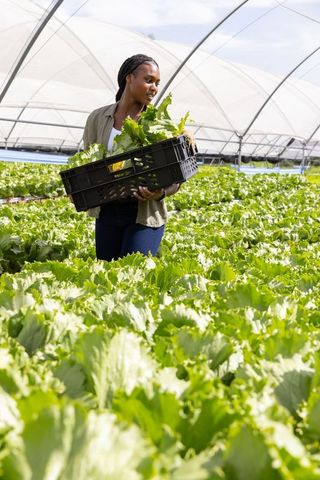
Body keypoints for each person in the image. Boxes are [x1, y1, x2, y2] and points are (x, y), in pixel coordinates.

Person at [83, 53, 180, 261]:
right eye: (148, 80)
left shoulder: (158, 124)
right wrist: (79, 188)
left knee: (133, 279)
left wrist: (159, 193)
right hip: (107, 212)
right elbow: (86, 163)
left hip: (144, 215)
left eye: (157, 83)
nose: (154, 87)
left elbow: (177, 177)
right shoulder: (98, 118)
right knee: (106, 279)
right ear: (129, 78)